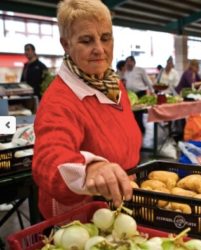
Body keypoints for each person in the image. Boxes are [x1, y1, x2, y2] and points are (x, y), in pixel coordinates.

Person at [32, 0, 141, 219]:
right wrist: (90, 169)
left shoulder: (113, 84)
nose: (99, 49)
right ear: (66, 44)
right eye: (86, 40)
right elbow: (47, 159)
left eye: (105, 38)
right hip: (84, 218)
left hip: (123, 203)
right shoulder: (60, 99)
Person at [124, 55, 153, 134]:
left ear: (134, 62)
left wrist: (152, 91)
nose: (129, 64)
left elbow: (148, 81)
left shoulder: (140, 70)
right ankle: (135, 129)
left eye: (130, 62)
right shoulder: (125, 71)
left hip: (140, 93)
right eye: (127, 62)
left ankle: (141, 130)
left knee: (138, 113)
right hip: (130, 95)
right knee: (132, 113)